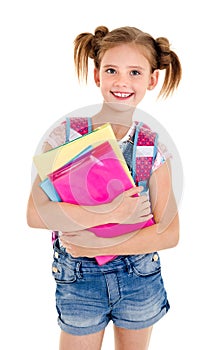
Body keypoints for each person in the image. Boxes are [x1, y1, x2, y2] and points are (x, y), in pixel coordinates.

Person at [27, 25, 182, 350]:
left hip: (138, 276)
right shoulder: (65, 136)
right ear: (97, 74)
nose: (122, 81)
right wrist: (110, 211)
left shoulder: (151, 147)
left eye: (135, 72)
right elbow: (36, 215)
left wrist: (92, 246)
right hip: (78, 279)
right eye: (111, 70)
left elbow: (168, 233)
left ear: (151, 79)